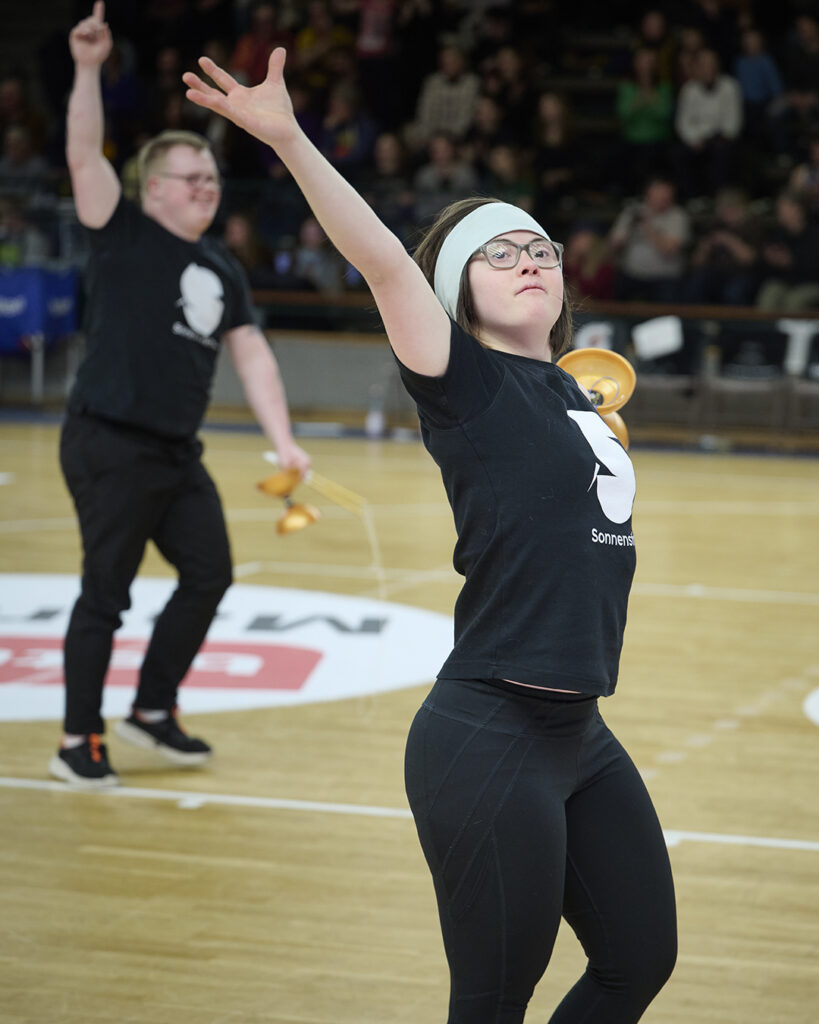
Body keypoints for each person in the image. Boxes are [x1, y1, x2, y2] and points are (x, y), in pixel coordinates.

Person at [183, 43, 678, 1023]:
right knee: (493, 1000)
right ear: (456, 293)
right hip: (489, 728)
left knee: (638, 959)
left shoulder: (571, 389)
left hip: (580, 734)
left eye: (539, 247)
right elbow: (376, 255)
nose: (529, 258)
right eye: (500, 252)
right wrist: (287, 139)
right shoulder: (467, 383)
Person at [50, 4, 311, 790]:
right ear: (152, 186)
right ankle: (76, 739)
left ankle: (152, 710)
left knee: (209, 574)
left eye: (212, 178)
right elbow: (78, 153)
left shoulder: (222, 271)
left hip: (173, 450)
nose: (207, 188)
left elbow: (252, 354)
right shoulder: (119, 227)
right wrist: (90, 69)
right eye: (190, 177)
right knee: (107, 592)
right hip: (108, 441)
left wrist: (285, 439)